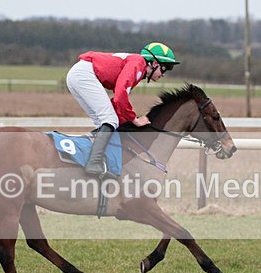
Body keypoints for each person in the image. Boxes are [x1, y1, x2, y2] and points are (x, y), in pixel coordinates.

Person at [66, 41, 180, 175]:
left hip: (78, 75)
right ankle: (93, 163)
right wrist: (134, 120)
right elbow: (120, 96)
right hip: (84, 75)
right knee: (109, 120)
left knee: (105, 121)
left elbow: (116, 102)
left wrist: (125, 122)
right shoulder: (138, 64)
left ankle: (96, 159)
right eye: (165, 68)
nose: (164, 74)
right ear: (154, 64)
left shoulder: (137, 67)